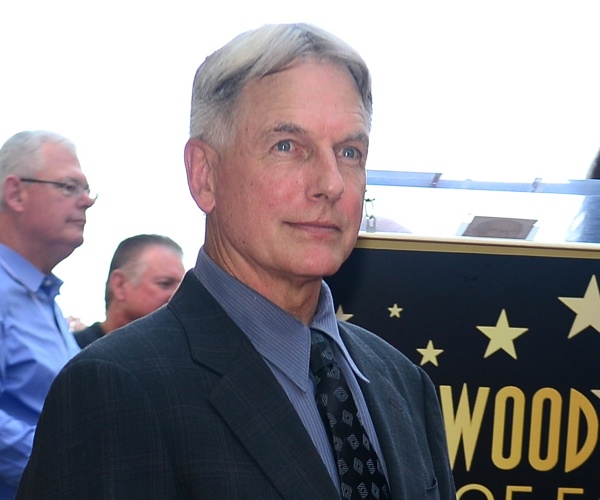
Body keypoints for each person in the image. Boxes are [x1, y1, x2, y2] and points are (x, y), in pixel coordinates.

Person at [17, 24, 455, 499]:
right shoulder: (117, 389)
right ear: (204, 175)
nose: (331, 183)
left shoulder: (404, 383)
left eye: (349, 152)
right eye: (288, 146)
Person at [0, 130, 96, 498]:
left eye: (88, 189)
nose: (86, 201)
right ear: (15, 193)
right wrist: (74, 469)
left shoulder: (44, 299)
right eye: (69, 187)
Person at [75, 234, 185, 348]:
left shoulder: (175, 357)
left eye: (181, 286)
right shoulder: (69, 354)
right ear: (120, 285)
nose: (177, 295)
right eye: (165, 283)